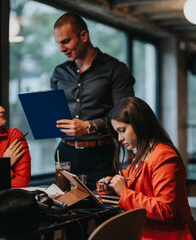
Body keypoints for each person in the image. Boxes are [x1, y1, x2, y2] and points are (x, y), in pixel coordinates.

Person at [50, 12, 135, 190]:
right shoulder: (58, 73)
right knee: (64, 209)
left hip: (101, 155)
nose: (61, 49)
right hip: (65, 154)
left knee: (104, 210)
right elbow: (55, 113)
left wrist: (89, 126)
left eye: (66, 41)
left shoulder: (115, 70)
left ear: (83, 35)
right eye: (58, 43)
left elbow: (125, 115)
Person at [98, 97, 196, 240]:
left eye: (122, 130)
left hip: (170, 235)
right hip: (149, 231)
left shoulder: (164, 156)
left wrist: (124, 192)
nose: (120, 138)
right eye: (117, 133)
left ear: (139, 123)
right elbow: (125, 179)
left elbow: (165, 211)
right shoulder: (143, 154)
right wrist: (109, 184)